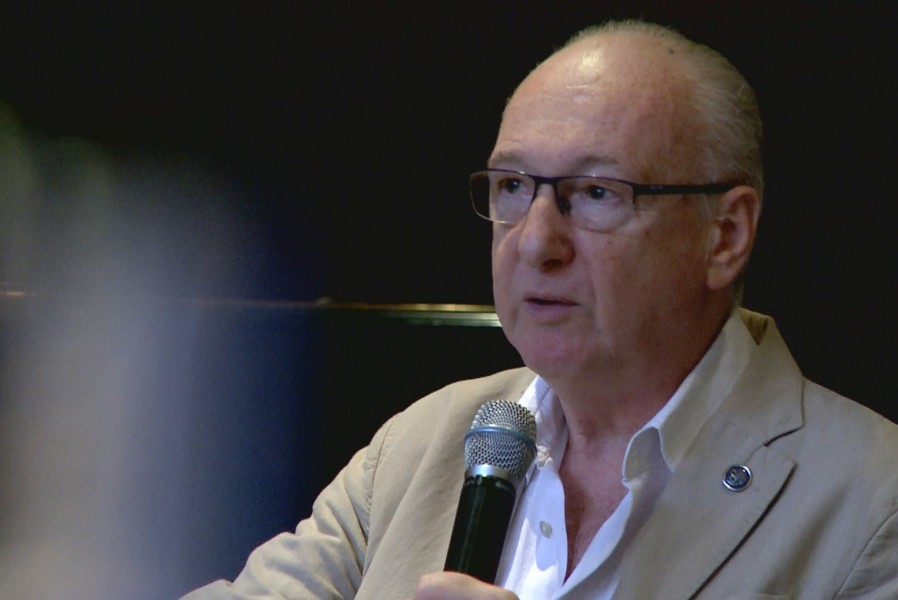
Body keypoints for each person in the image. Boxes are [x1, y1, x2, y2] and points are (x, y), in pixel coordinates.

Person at [183, 19, 898, 599]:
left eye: (597, 193)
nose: (535, 242)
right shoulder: (421, 445)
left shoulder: (872, 502)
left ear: (726, 235)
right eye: (513, 187)